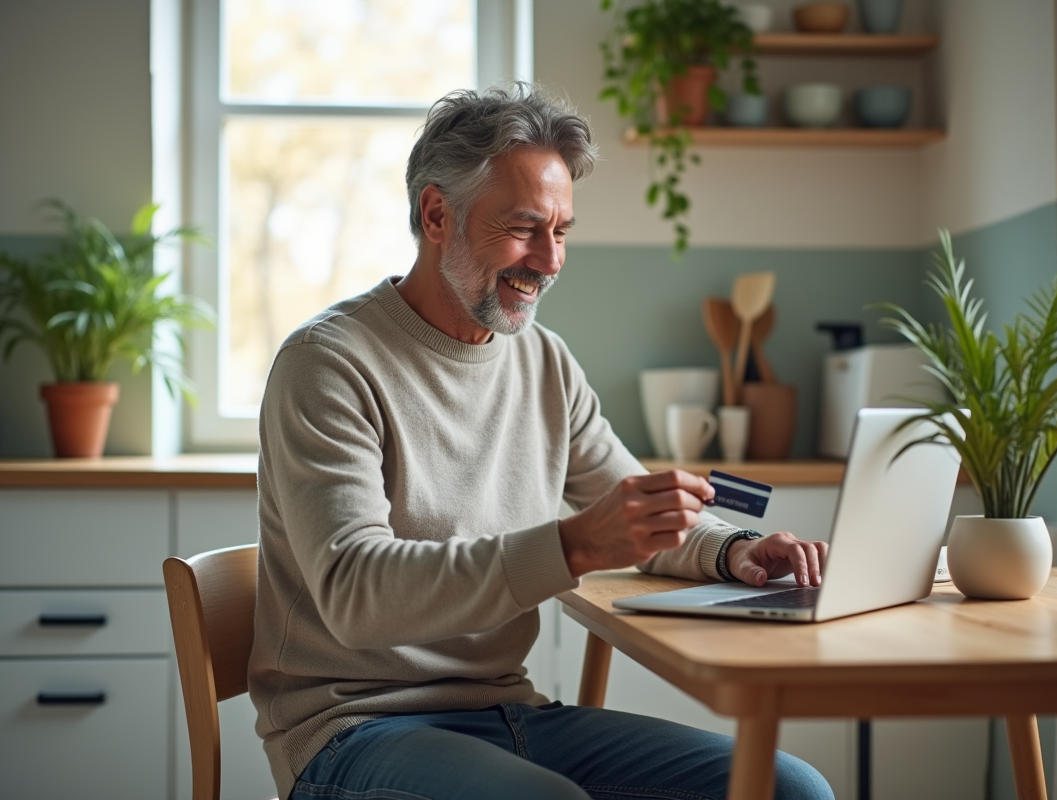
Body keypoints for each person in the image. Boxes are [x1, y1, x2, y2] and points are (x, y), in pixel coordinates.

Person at [249, 84, 834, 800]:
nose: (550, 260)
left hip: (511, 711)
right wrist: (574, 546)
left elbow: (635, 513)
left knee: (788, 788)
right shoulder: (328, 363)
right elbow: (354, 593)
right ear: (437, 215)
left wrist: (733, 550)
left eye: (561, 232)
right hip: (354, 730)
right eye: (526, 228)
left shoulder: (544, 362)